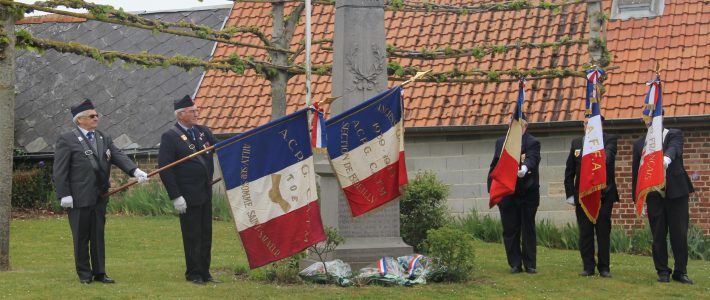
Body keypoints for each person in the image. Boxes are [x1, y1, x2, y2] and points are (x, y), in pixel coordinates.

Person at [53, 99, 149, 284]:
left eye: (97, 115)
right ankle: (84, 274)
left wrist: (135, 171)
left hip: (100, 195)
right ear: (79, 120)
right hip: (78, 197)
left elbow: (117, 155)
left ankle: (100, 272)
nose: (96, 118)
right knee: (81, 237)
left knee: (98, 235)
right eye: (92, 116)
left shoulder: (103, 137)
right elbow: (60, 170)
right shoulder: (67, 139)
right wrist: (63, 193)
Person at [158, 95, 219, 285]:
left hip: (205, 191)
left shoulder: (203, 131)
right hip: (187, 194)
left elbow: (221, 149)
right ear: (181, 114)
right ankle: (193, 273)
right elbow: (165, 168)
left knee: (206, 234)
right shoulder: (170, 137)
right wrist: (176, 196)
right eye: (193, 111)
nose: (197, 114)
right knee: (192, 235)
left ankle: (205, 271)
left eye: (196, 110)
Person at [632, 120, 695, 284]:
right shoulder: (640, 143)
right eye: (647, 117)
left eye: (653, 117)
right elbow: (636, 173)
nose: (649, 121)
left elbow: (675, 148)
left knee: (679, 234)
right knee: (658, 235)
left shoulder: (673, 134)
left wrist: (666, 159)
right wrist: (638, 199)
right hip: (654, 194)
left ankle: (680, 272)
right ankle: (663, 271)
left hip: (676, 193)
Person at [564, 116, 618, 278]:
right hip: (583, 195)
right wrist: (570, 195)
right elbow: (569, 172)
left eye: (592, 124)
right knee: (585, 232)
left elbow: (607, 159)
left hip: (604, 194)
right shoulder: (576, 143)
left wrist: (594, 146)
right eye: (586, 123)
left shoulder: (609, 140)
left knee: (602, 232)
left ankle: (604, 267)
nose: (588, 126)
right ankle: (588, 266)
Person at [487, 114, 541, 274]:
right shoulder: (501, 143)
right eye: (512, 125)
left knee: (528, 229)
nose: (515, 129)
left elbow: (533, 159)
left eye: (519, 126)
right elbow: (494, 166)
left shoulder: (532, 142)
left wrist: (524, 168)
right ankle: (515, 263)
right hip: (507, 193)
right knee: (510, 229)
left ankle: (530, 264)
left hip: (527, 192)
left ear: (525, 126)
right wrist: (492, 189)